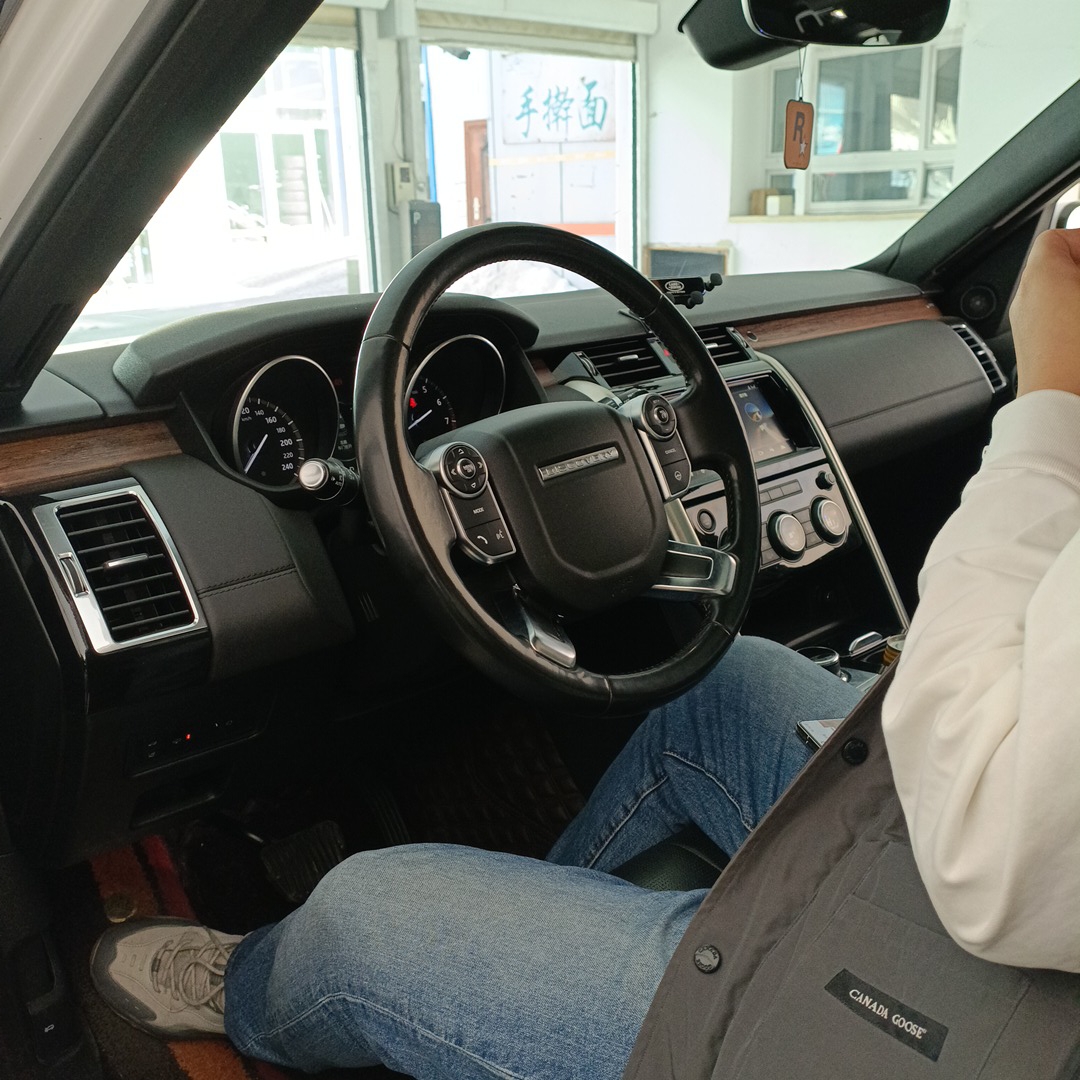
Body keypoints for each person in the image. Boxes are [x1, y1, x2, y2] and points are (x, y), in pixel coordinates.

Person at [90, 227, 1080, 1077]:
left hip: (989, 1020)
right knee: (722, 687)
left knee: (365, 916)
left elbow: (1001, 852)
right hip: (1025, 889)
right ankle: (509, 969)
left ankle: (258, 991)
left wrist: (1052, 408)